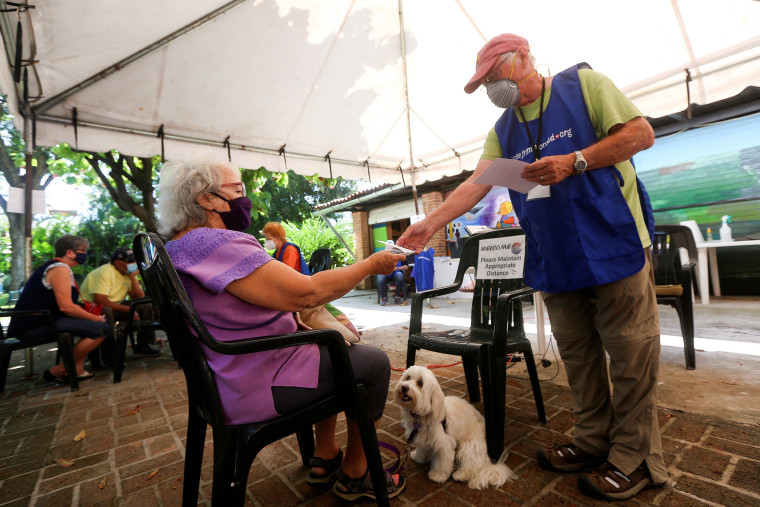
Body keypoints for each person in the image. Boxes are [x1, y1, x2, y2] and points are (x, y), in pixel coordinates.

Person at [397, 34, 666, 502]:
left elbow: (640, 135)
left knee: (630, 356)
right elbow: (477, 182)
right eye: (483, 84)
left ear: (522, 58)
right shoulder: (504, 128)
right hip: (556, 258)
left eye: (493, 76)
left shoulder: (584, 85)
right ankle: (591, 442)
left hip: (613, 241)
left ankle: (635, 458)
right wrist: (429, 224)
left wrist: (576, 160)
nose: (491, 89)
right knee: (579, 359)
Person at [157, 159, 406, 501]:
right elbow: (307, 292)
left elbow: (239, 305)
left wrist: (291, 321)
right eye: (238, 190)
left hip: (223, 376)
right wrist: (372, 264)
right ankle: (355, 474)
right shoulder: (215, 243)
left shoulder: (176, 247)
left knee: (332, 351)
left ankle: (325, 455)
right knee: (372, 363)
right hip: (256, 379)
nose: (244, 199)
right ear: (206, 199)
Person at [7, 235, 110, 382]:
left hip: (45, 319)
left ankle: (76, 369)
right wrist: (95, 318)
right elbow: (66, 307)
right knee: (101, 329)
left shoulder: (58, 267)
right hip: (33, 325)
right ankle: (60, 370)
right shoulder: (60, 268)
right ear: (70, 252)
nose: (85, 254)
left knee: (90, 326)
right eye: (83, 251)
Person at [79, 247, 161, 363]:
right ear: (118, 262)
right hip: (91, 308)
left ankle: (143, 345)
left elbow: (138, 297)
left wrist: (133, 277)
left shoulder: (127, 273)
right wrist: (128, 310)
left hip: (115, 304)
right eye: (130, 261)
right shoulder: (106, 271)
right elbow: (100, 301)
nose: (133, 264)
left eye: (134, 261)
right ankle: (109, 354)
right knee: (106, 311)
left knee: (144, 305)